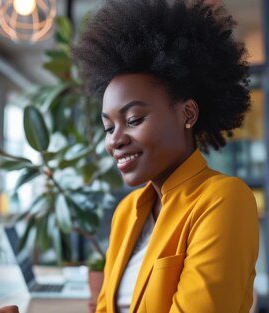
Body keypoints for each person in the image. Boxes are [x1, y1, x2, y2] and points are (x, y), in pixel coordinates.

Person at [72, 0, 259, 312]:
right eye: (108, 127)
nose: (115, 140)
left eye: (133, 120)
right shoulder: (126, 212)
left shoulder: (223, 200)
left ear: (187, 113)